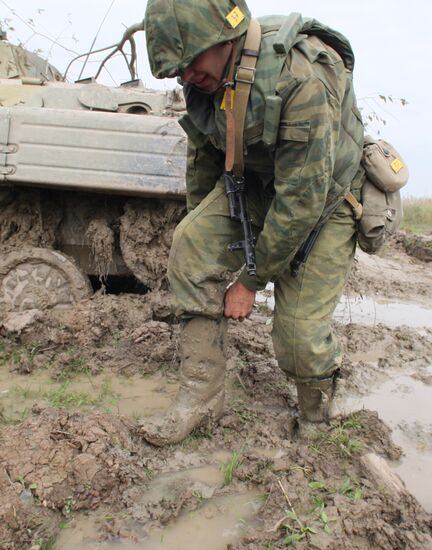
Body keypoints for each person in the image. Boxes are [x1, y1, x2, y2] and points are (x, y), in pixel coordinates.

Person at [141, 0, 364, 446]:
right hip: (259, 185)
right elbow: (203, 157)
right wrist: (203, 235)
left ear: (225, 37)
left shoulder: (300, 78)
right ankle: (202, 398)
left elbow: (301, 199)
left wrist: (249, 280)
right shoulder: (204, 77)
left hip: (326, 197)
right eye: (176, 71)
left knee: (298, 335)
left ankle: (316, 417)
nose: (186, 77)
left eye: (189, 63)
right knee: (190, 244)